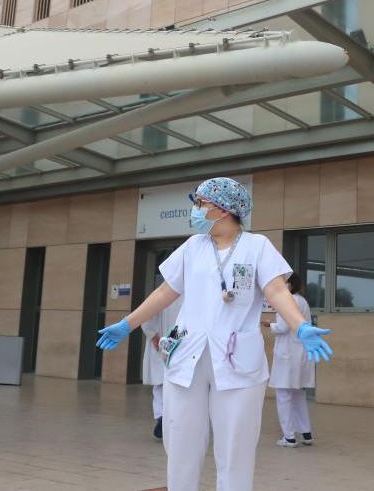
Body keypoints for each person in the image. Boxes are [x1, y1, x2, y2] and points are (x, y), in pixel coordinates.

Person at [96, 177, 334, 491]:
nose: (195, 210)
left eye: (200, 204)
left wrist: (299, 324)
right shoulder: (193, 246)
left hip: (237, 360)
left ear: (222, 210)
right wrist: (128, 324)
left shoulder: (257, 246)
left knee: (235, 446)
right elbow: (166, 291)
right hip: (186, 357)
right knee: (180, 440)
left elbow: (276, 290)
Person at [266, 274, 316, 447]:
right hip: (300, 352)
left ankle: (289, 436)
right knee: (298, 394)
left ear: (289, 284)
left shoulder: (287, 300)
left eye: (283, 282)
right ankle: (306, 433)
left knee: (284, 395)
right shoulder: (302, 301)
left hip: (288, 354)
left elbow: (282, 327)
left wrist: (268, 325)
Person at [141, 280, 181, 439]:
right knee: (173, 385)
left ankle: (161, 417)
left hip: (160, 342)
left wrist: (153, 334)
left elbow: (146, 316)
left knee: (159, 385)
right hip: (177, 342)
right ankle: (169, 419)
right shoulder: (187, 295)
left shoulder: (160, 293)